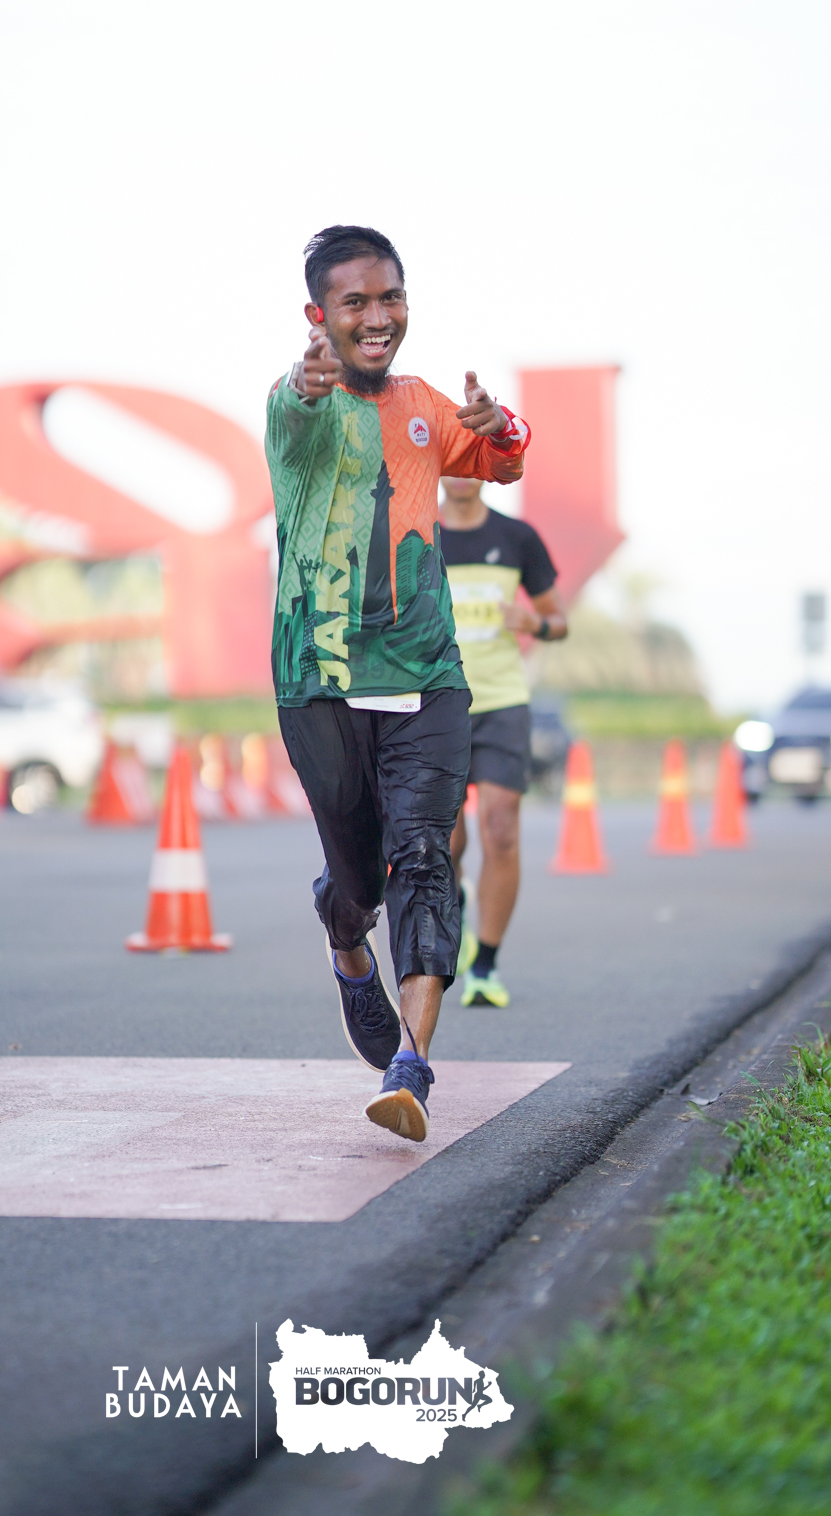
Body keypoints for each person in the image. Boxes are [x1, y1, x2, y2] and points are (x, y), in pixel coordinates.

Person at [265, 225, 527, 1142]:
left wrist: (499, 426)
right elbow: (295, 406)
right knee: (358, 880)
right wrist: (305, 383)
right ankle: (345, 942)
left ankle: (410, 1066)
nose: (377, 318)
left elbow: (504, 461)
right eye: (356, 303)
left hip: (428, 673)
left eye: (391, 298)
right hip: (321, 681)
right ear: (318, 316)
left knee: (424, 856)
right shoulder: (296, 407)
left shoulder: (422, 404)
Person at [439, 479, 567, 1008]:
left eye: (473, 460)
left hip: (502, 702)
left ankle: (485, 966)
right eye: (453, 460)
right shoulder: (415, 533)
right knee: (445, 843)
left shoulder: (517, 537)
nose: (462, 473)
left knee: (501, 829)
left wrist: (535, 622)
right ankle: (455, 911)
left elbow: (559, 621)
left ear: (485, 469)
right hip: (437, 702)